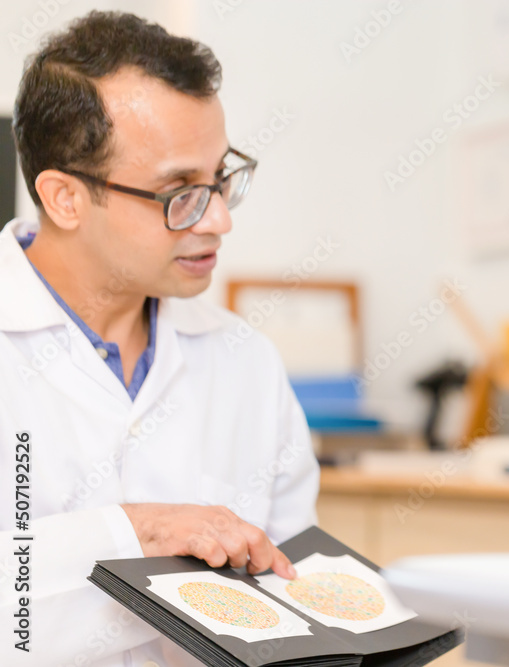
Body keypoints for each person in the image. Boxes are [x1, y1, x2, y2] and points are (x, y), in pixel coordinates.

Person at [0, 12, 319, 665]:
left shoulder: (245, 361)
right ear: (63, 197)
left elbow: (295, 592)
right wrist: (132, 532)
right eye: (179, 193)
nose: (221, 219)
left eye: (220, 178)